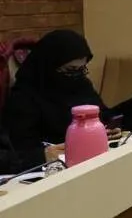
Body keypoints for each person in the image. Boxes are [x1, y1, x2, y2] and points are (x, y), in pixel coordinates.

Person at [0, 30, 122, 173]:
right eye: (70, 70)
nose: (76, 76)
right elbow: (19, 149)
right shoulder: (24, 96)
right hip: (52, 169)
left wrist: (109, 129)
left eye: (81, 69)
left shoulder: (81, 85)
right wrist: (43, 155)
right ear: (49, 66)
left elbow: (101, 112)